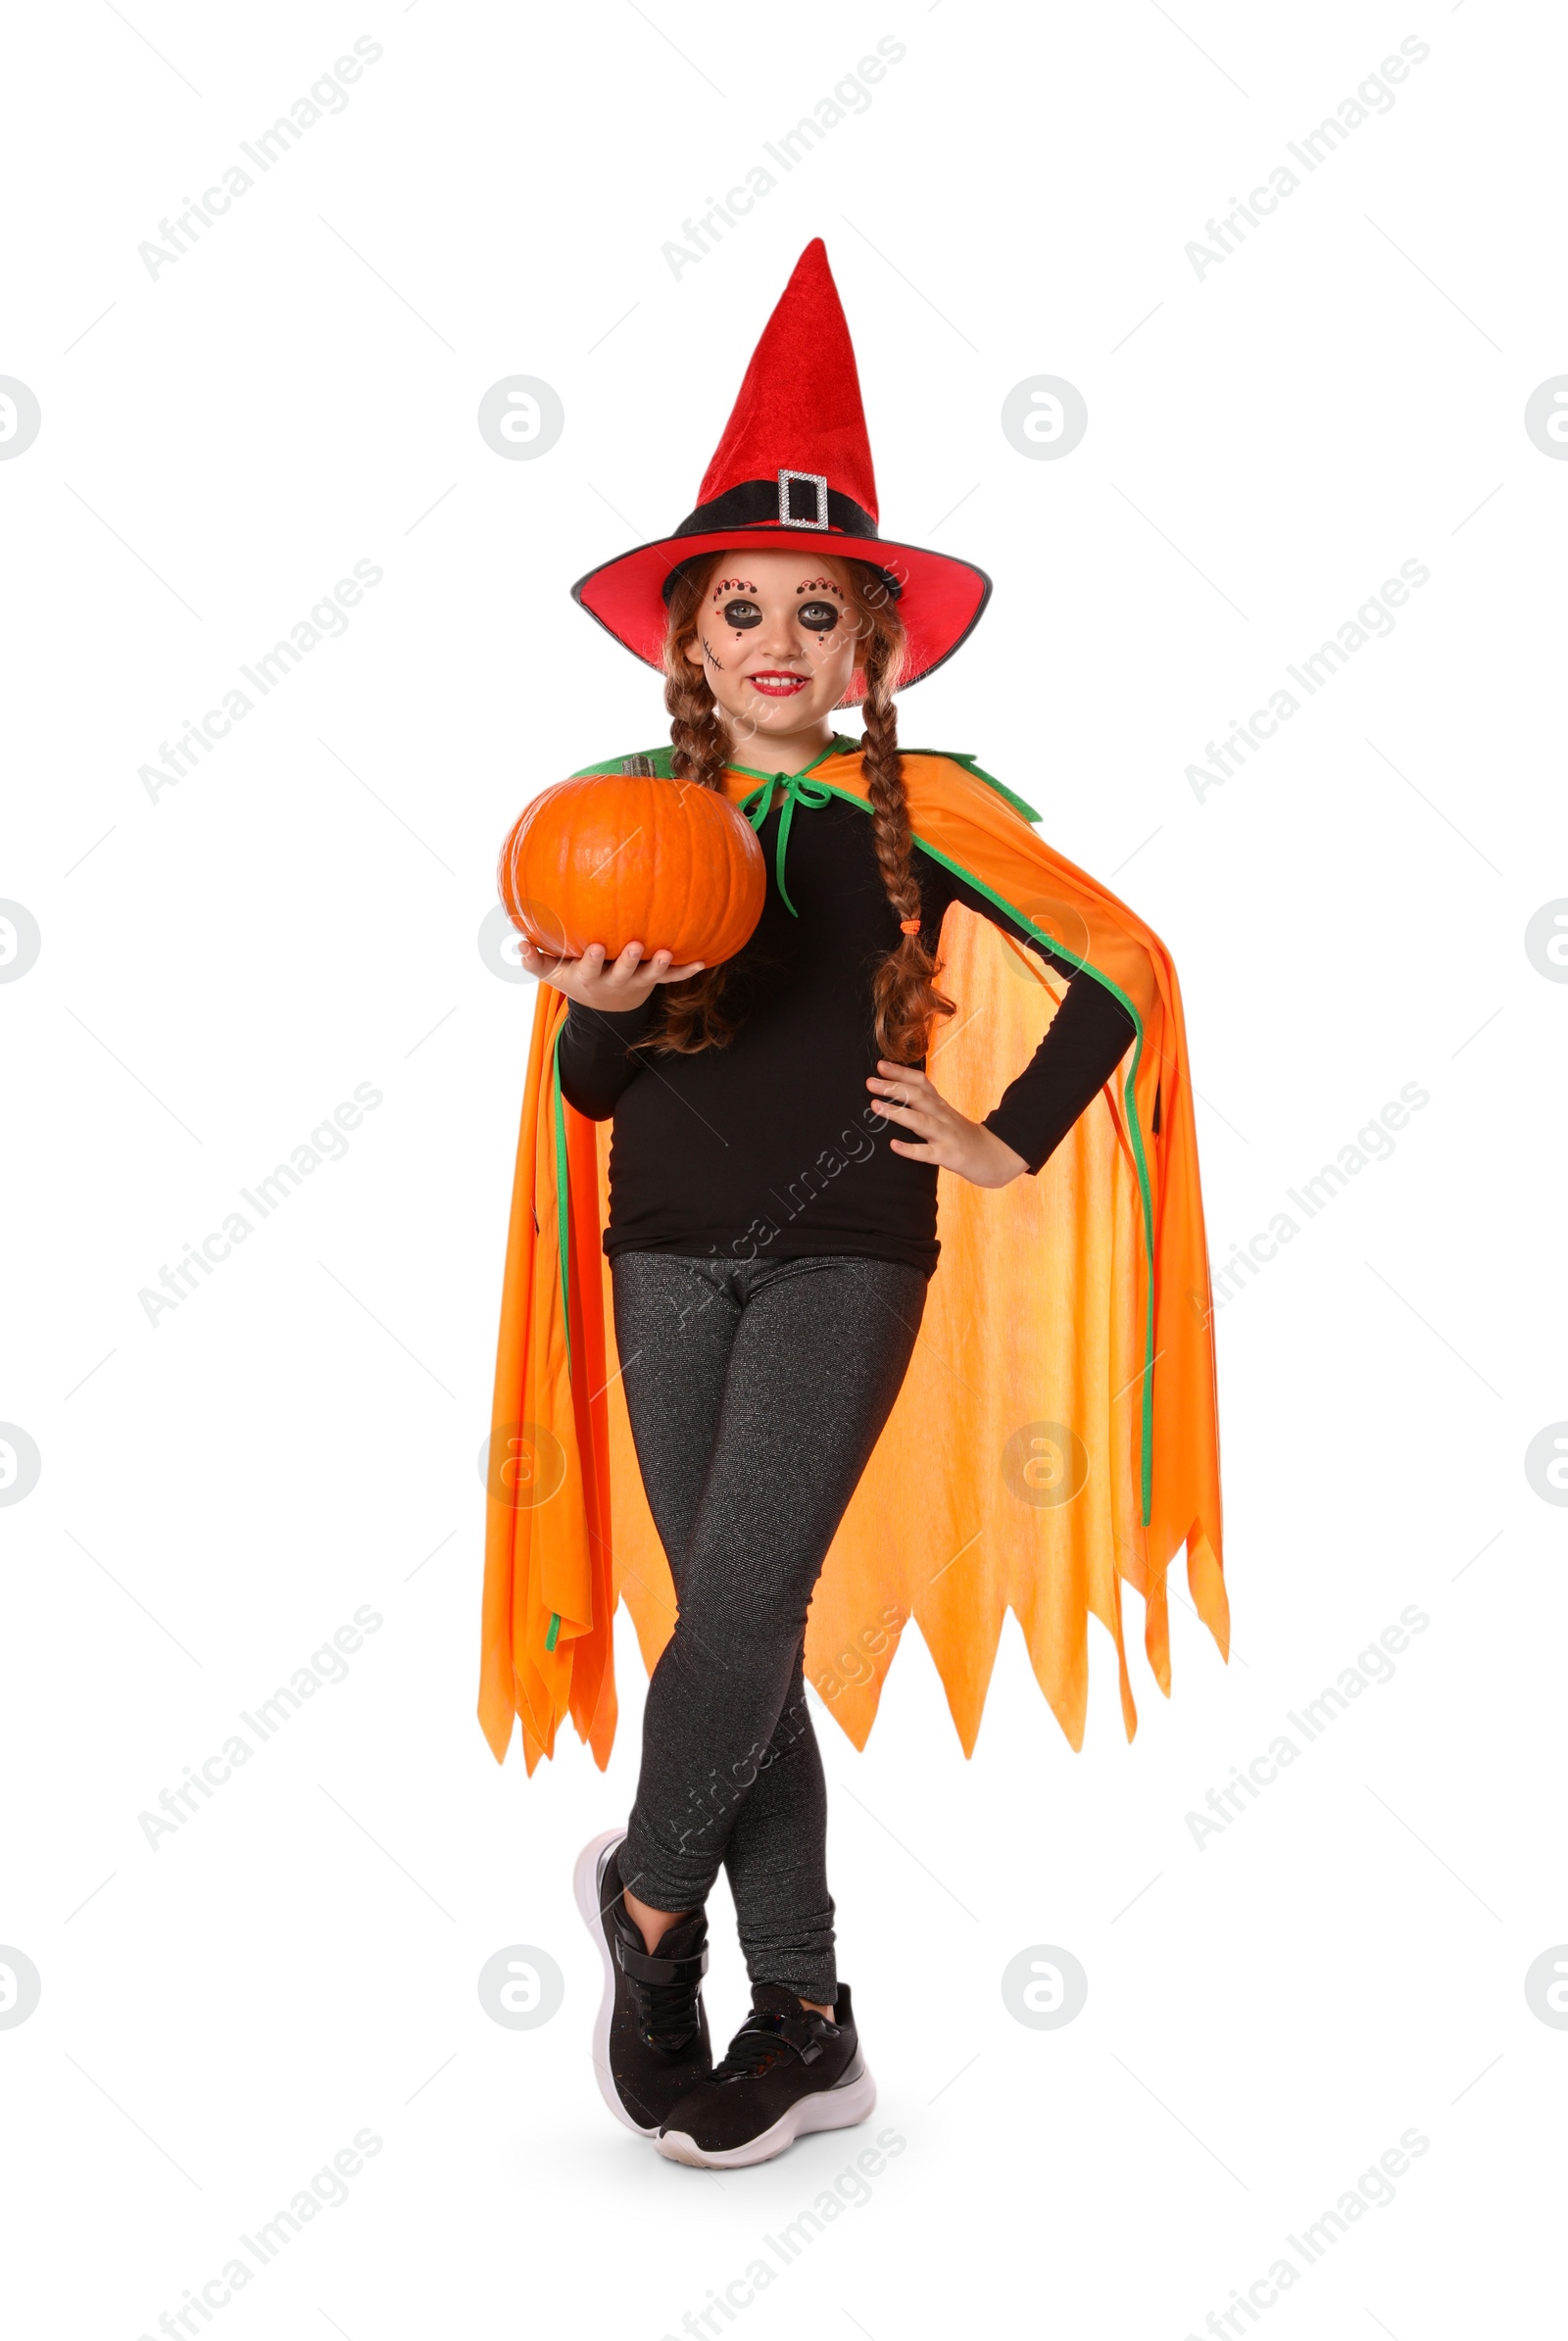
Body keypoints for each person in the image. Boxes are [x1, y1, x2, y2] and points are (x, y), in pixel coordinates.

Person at [479, 241, 1229, 2171]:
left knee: (728, 1610)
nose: (781, 645)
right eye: (745, 610)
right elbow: (583, 1090)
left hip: (848, 1251)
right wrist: (596, 1012)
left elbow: (1121, 970)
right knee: (753, 1624)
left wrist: (1002, 1133)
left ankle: (650, 1909)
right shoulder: (633, 814)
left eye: (819, 613)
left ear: (869, 645)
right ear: (691, 635)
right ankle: (804, 2011)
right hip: (655, 1245)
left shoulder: (931, 823)